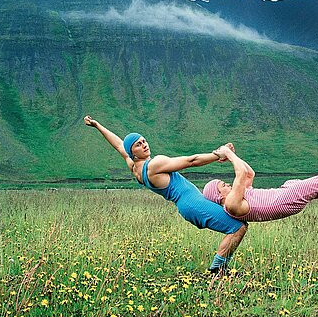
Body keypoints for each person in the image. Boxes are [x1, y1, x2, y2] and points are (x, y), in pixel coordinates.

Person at [83, 116, 247, 273]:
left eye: (144, 141)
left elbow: (119, 145)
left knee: (236, 221)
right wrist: (219, 154)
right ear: (133, 152)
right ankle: (217, 270)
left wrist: (97, 126)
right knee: (238, 227)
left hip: (188, 204)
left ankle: (219, 269)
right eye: (138, 145)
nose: (144, 145)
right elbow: (191, 161)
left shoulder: (135, 167)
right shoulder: (154, 165)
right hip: (192, 203)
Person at [202, 146, 318, 222]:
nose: (228, 185)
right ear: (219, 197)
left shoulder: (237, 198)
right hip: (281, 202)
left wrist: (232, 155)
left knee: (294, 182)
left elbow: (249, 173)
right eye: (223, 186)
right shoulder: (231, 205)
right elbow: (241, 173)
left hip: (282, 194)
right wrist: (229, 155)